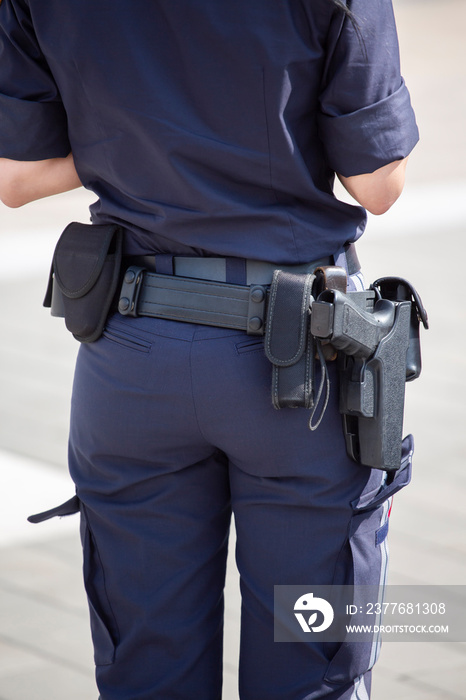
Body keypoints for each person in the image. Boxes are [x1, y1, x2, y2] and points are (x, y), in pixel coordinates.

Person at [0, 0, 419, 698]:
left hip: (132, 354)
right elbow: (378, 184)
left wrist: (134, 139)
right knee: (312, 663)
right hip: (298, 376)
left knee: (146, 669)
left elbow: (15, 176)